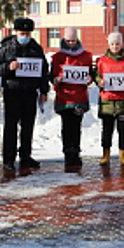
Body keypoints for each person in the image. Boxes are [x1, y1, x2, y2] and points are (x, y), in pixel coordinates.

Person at [0, 18, 49, 172]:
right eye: (22, 33)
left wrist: (44, 91)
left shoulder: (36, 48)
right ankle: (8, 159)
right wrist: (8, 67)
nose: (25, 35)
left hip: (30, 92)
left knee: (28, 126)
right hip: (12, 91)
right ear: (16, 32)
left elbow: (44, 70)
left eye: (28, 33)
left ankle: (25, 156)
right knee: (11, 127)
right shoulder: (6, 48)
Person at [50, 27, 93, 167]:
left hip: (79, 97)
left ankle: (76, 151)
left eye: (73, 40)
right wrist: (57, 79)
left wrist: (90, 79)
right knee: (66, 126)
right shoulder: (57, 57)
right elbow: (51, 76)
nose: (70, 43)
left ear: (77, 40)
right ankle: (67, 152)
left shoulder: (86, 56)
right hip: (64, 96)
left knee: (76, 126)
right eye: (68, 40)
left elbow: (90, 73)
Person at [95, 32, 124, 167]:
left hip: (123, 100)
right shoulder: (101, 61)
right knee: (107, 129)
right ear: (109, 45)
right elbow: (96, 76)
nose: (115, 46)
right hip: (107, 100)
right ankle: (105, 153)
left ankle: (123, 154)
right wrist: (99, 81)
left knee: (123, 129)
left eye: (117, 44)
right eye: (112, 44)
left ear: (122, 45)